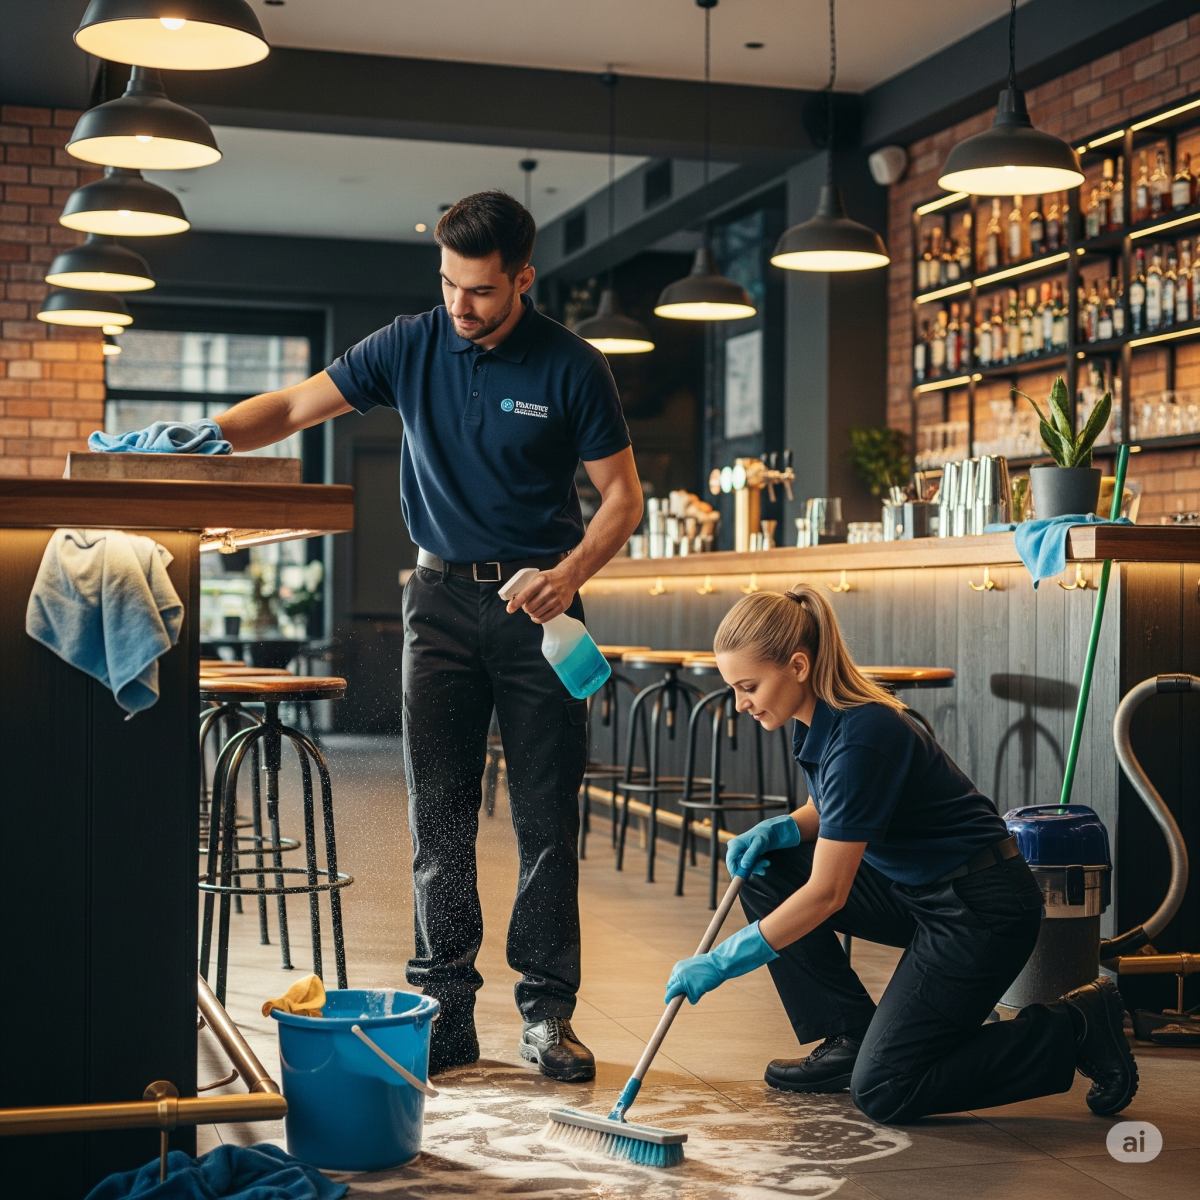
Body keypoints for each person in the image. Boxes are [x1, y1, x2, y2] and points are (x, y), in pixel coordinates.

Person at [210, 190, 644, 1081]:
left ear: (522, 279)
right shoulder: (409, 343)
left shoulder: (573, 366)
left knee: (546, 818)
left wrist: (570, 573)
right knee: (437, 817)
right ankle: (444, 1011)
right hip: (438, 605)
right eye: (448, 284)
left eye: (481, 291)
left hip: (542, 611)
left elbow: (622, 498)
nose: (460, 306)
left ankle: (545, 1014)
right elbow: (294, 407)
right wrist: (197, 442)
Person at [664, 586, 1139, 1123]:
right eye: (733, 689)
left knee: (887, 1088)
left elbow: (826, 894)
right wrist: (785, 829)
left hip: (981, 910)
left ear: (797, 665)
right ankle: (851, 1035)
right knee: (767, 871)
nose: (740, 703)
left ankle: (1074, 1027)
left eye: (747, 687)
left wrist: (723, 962)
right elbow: (840, 805)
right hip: (921, 892)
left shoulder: (863, 732)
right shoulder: (820, 718)